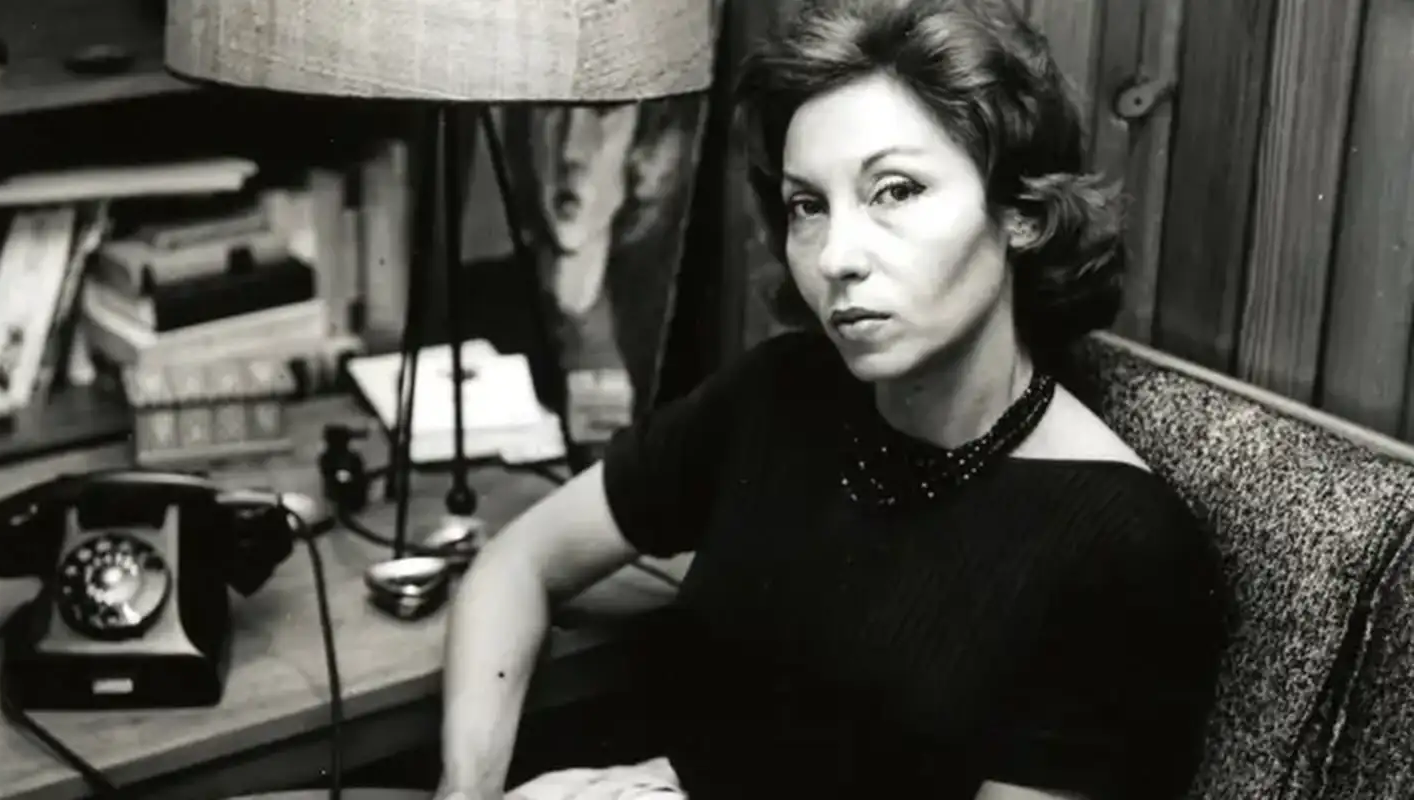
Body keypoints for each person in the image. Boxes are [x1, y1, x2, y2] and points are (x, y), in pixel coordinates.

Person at [435, 1, 1228, 798]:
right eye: (807, 205)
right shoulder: (781, 391)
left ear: (1020, 214)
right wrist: (469, 790)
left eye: (895, 190)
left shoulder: (1121, 549)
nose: (836, 256)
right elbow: (517, 561)